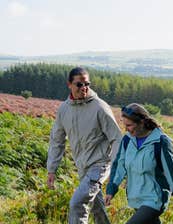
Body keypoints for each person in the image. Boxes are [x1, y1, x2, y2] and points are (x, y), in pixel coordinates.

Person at [47, 67, 122, 224]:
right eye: (79, 84)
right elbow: (57, 140)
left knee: (77, 204)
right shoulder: (64, 110)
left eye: (87, 84)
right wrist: (51, 169)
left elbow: (116, 138)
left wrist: (116, 168)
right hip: (83, 167)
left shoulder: (100, 107)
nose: (84, 88)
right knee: (97, 208)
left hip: (100, 165)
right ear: (69, 85)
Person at [105, 103, 173, 224]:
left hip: (155, 198)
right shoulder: (127, 140)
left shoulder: (160, 142)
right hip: (136, 197)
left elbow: (172, 173)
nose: (126, 129)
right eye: (125, 125)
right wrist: (111, 190)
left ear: (142, 123)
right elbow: (119, 166)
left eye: (129, 125)